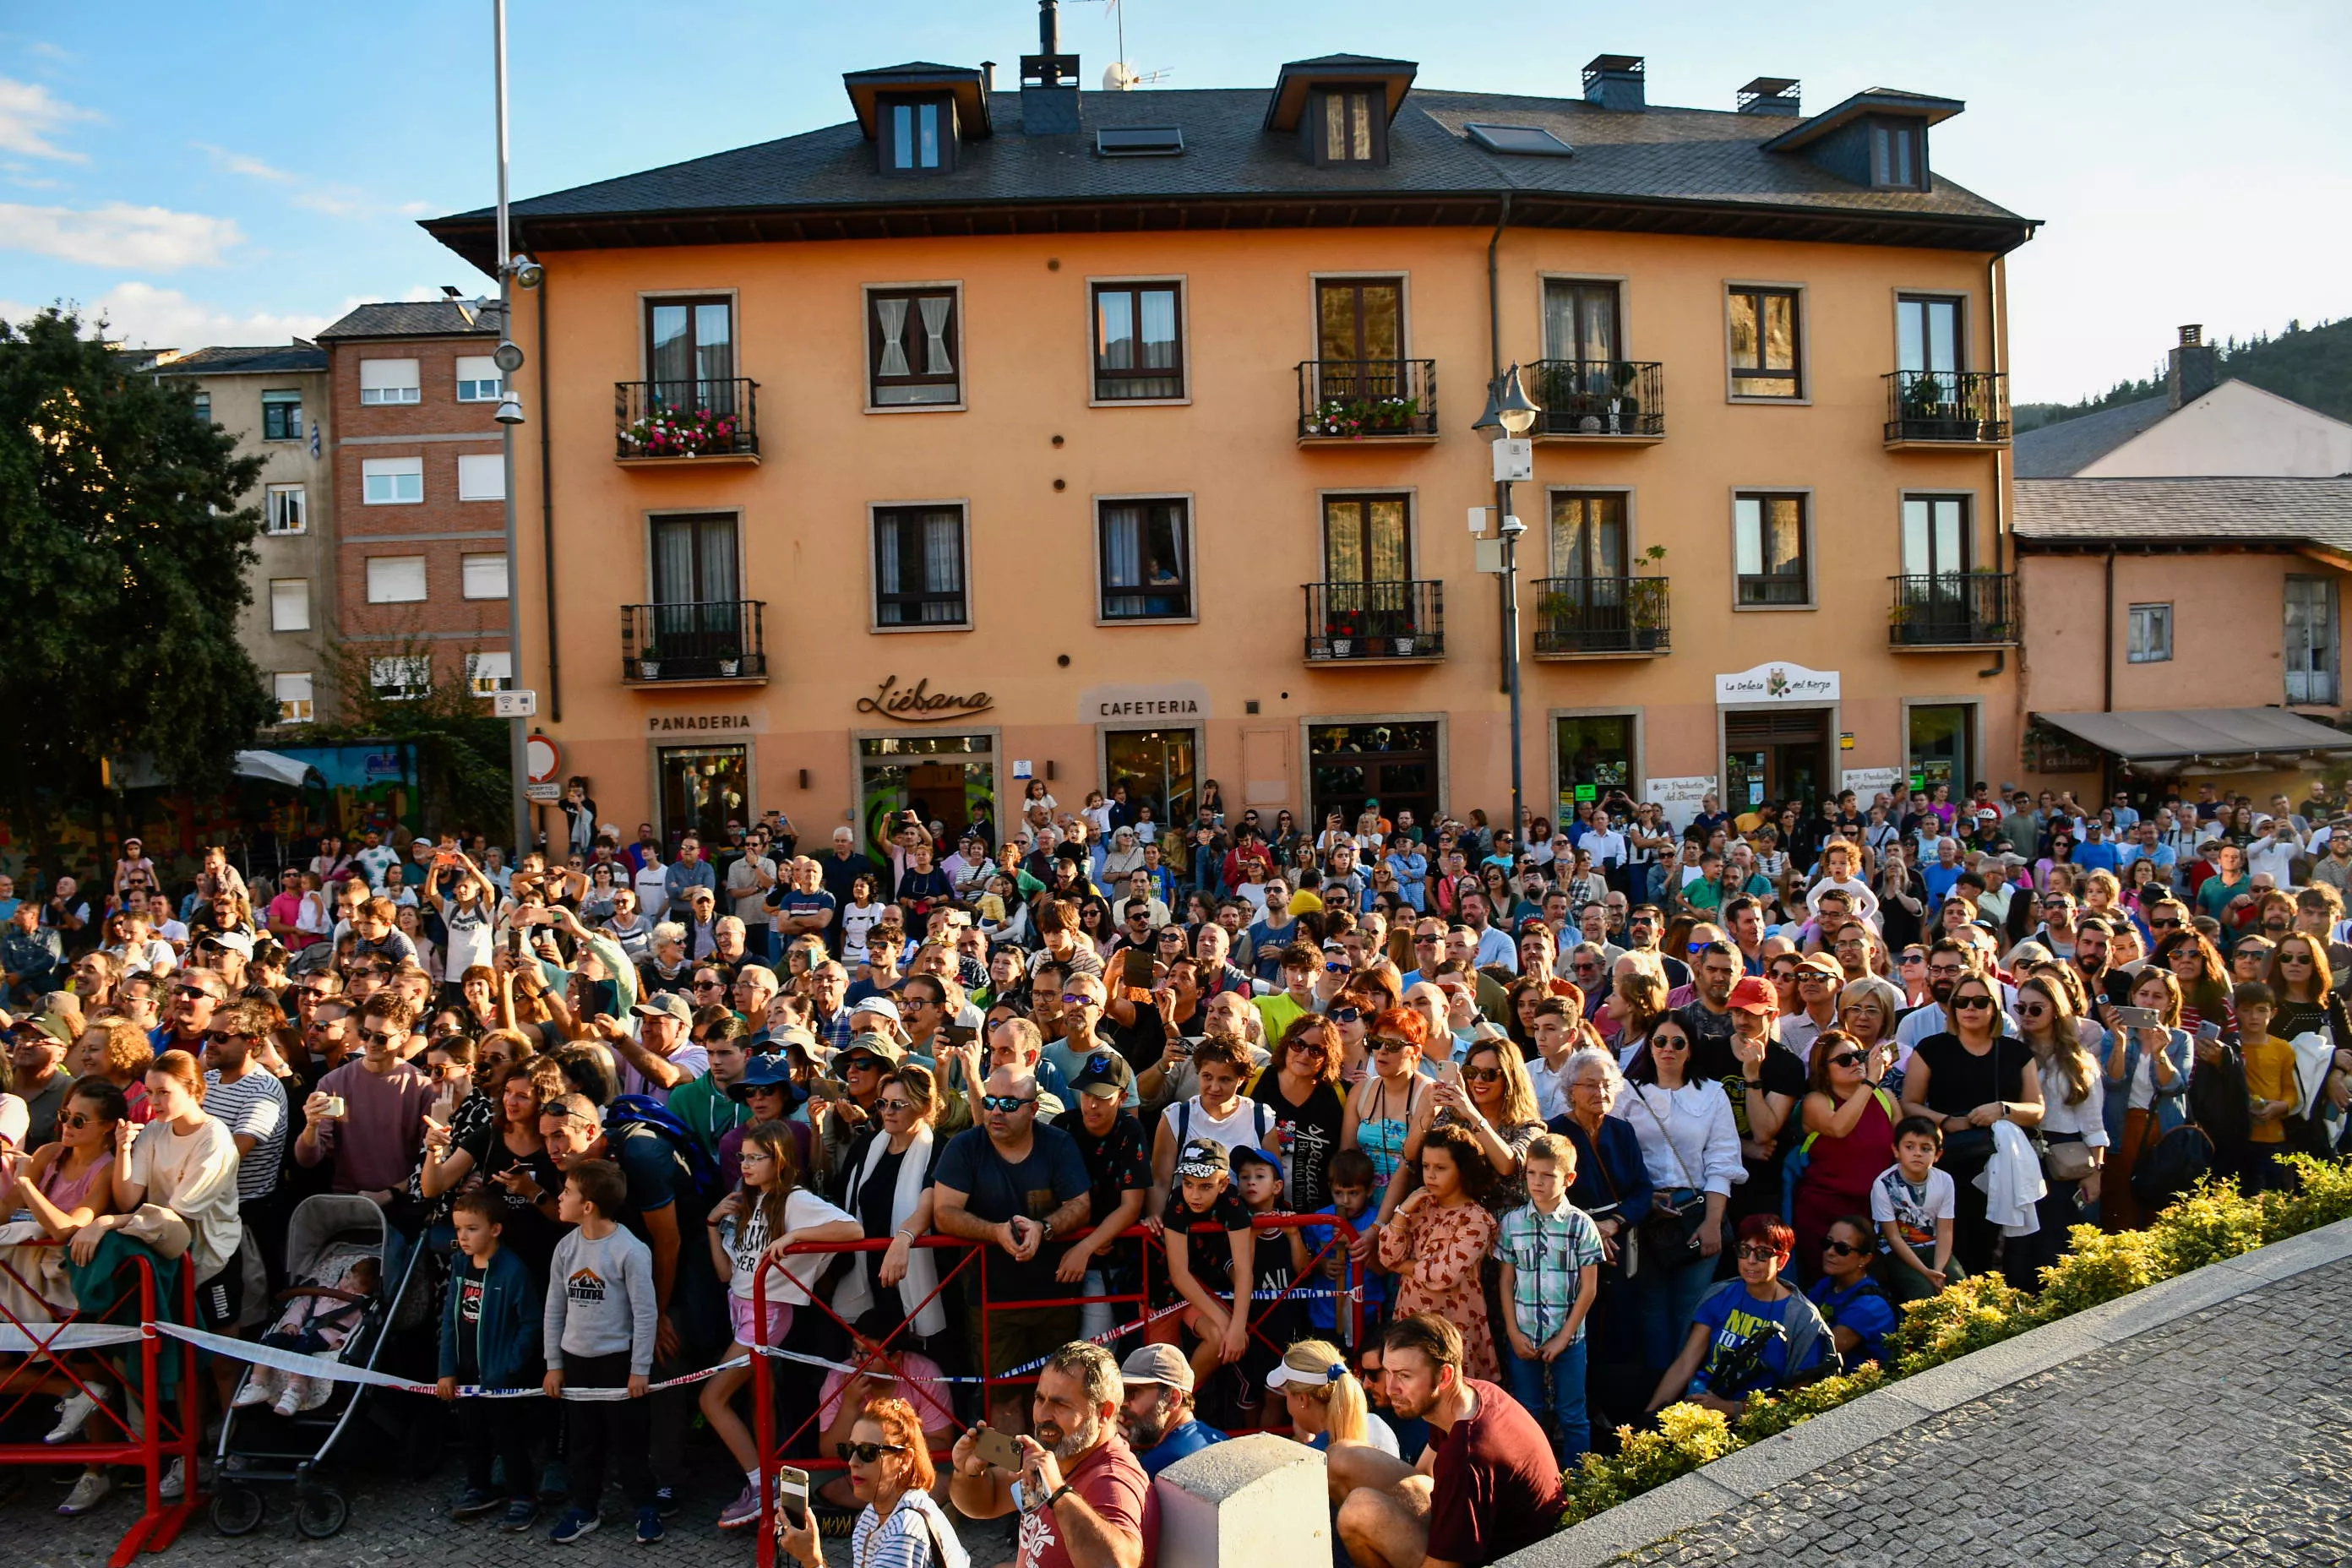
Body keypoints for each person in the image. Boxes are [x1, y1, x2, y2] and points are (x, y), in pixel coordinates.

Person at [705, 1120, 863, 1529]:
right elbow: (726, 1273)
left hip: (768, 1312)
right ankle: (770, 1481)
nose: (746, 1164)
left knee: (712, 1399)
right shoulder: (749, 1201)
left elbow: (853, 1229)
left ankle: (763, 1486)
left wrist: (795, 1239)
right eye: (743, 1156)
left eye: (756, 1157)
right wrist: (711, 1224)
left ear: (780, 1161)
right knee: (761, 1399)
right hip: (740, 1307)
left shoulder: (794, 1199)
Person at [1328, 1311, 1565, 1568]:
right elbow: (1424, 1472)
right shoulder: (1467, 1395)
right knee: (1340, 1458)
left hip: (1507, 1557)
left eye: (1405, 1376)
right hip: (1479, 1527)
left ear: (1445, 1376)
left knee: (1358, 1512)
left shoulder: (1467, 1453)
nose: (1390, 1388)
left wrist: (1379, 1526)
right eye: (1388, 1372)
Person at [933, 1064, 1093, 1435]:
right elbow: (943, 1212)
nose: (995, 1111)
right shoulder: (965, 1147)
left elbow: (1081, 1203)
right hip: (991, 1299)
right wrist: (994, 1232)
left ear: (1034, 1109)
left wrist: (1045, 1228)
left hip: (1055, 1296)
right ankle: (1011, 1486)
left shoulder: (1057, 1144)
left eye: (1008, 1103)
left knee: (1061, 1396)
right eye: (989, 1101)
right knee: (1000, 1400)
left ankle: (1057, 1477)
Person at [948, 1339, 1157, 1568]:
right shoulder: (1061, 1456)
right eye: (1040, 1399)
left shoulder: (1112, 1479)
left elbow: (1116, 1565)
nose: (1043, 1414)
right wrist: (968, 1473)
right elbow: (987, 1502)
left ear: (1103, 1412)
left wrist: (1058, 1491)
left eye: (1060, 1404)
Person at [542, 1158, 662, 1546]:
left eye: (567, 1192)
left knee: (630, 1441)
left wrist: (639, 1369)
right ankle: (584, 1508)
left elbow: (646, 1315)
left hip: (619, 1363)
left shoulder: (631, 1250)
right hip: (576, 1362)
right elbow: (554, 1308)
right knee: (583, 1441)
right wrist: (554, 1364)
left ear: (588, 1205)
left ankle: (645, 1506)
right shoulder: (565, 1248)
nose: (559, 1198)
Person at [1611, 1015, 1739, 1372]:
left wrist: (1714, 1222)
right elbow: (1615, 1157)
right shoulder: (1625, 1092)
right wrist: (1642, 1202)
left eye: (1678, 1042)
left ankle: (1682, 1399)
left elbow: (1722, 1161)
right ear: (1649, 1046)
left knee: (1691, 1310)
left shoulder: (1712, 1093)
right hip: (1644, 1215)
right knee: (1650, 1308)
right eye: (1660, 1041)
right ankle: (1655, 1400)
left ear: (1691, 1048)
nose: (1668, 1049)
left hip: (1697, 1212)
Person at [1898, 972, 2041, 1275]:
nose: (1970, 1008)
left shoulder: (2016, 1052)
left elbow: (2036, 1109)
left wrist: (2002, 1109)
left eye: (1980, 1001)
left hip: (2002, 1164)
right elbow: (1909, 1103)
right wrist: (1947, 1121)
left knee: (1999, 1249)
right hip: (1950, 1161)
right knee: (1955, 1244)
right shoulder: (1932, 1048)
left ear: (1995, 1006)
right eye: (1962, 1002)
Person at [1645, 1215, 1832, 1418]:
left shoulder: (1803, 1319)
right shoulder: (1719, 1294)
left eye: (1763, 1253)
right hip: (1699, 1403)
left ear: (1783, 1260)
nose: (1751, 1261)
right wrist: (1649, 1417)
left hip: (1755, 1421)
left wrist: (1731, 1408)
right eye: (1744, 1251)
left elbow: (1798, 1398)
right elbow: (1685, 1364)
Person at [438, 1189, 544, 1533]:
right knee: (472, 1435)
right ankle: (478, 1488)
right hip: (467, 1373)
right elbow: (450, 1321)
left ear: (495, 1229)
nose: (463, 1237)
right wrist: (446, 1371)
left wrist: (510, 1367)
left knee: (509, 1438)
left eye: (471, 1229)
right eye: (458, 1229)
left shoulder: (513, 1271)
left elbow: (530, 1321)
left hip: (500, 1379)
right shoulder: (460, 1266)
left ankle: (523, 1498)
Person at [1495, 1132, 1603, 1461]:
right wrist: (1513, 1333)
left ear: (1569, 1179)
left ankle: (1582, 1485)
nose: (1537, 1182)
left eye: (1548, 1175)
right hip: (1524, 1336)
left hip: (1568, 1340)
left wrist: (1563, 1337)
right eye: (1531, 1173)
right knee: (1528, 1412)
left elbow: (1589, 1288)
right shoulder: (1513, 1223)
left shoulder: (1581, 1226)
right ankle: (1535, 1480)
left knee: (1573, 1414)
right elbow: (1505, 1282)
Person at [776, 1395, 969, 1568]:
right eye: (849, 1450)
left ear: (905, 1459)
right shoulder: (872, 1515)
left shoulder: (905, 1530)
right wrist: (811, 1558)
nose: (853, 1462)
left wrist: (812, 1560)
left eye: (868, 1452)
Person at [1379, 1123, 1500, 1380]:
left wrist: (1405, 1266)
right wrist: (1402, 1212)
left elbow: (1443, 1275)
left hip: (1453, 1327)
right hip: (1411, 1324)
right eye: (1426, 1167)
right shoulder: (1419, 1207)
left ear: (1463, 1171)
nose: (1430, 1175)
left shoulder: (1475, 1219)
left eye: (1441, 1168)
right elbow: (1387, 1256)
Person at [1788, 1029, 1899, 1280]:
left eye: (1859, 1055)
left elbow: (1901, 1151)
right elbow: (1838, 1127)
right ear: (1824, 1070)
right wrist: (1870, 1082)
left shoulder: (1885, 1099)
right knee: (1822, 1290)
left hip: (1871, 1215)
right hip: (1824, 1215)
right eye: (1844, 1060)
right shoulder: (1816, 1101)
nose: (1856, 1063)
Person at [2099, 966, 2194, 1232]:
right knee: (2119, 1203)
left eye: (2157, 996)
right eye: (2143, 994)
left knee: (2159, 1203)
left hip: (2162, 1130)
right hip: (2121, 1127)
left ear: (2169, 1002)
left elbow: (2176, 1086)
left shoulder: (2180, 1039)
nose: (2149, 1002)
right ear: (2133, 996)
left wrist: (2159, 1053)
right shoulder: (2113, 1035)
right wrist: (2119, 1042)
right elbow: (2113, 1081)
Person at [1872, 1117, 1958, 1299]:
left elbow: (1945, 1232)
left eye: (1926, 1148)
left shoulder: (1945, 1181)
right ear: (1896, 1150)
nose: (1917, 1153)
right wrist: (1926, 1273)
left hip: (1933, 1246)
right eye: (1909, 1147)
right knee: (1923, 1291)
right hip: (1897, 1250)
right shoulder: (1883, 1184)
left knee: (1960, 1287)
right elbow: (1893, 1237)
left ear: (1937, 1155)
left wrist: (1938, 1270)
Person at [1115, 1342, 1228, 1478]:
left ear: (1173, 1399)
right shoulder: (1223, 1440)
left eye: (1130, 1392)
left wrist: (1110, 1449)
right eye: (1120, 1393)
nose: (1122, 1403)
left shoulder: (1158, 1467)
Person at [1270, 1337, 1397, 1456]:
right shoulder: (1377, 1425)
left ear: (1303, 1399)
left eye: (1286, 1395)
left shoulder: (1312, 1460)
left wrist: (1310, 1447)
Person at [1807, 1215, 1897, 1369]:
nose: (1830, 1252)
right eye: (1827, 1243)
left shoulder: (1870, 1307)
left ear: (1865, 1259)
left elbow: (1820, 1354)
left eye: (1842, 1249)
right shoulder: (1827, 1285)